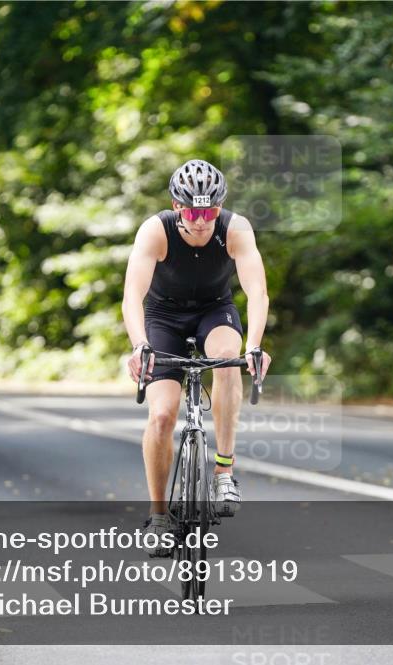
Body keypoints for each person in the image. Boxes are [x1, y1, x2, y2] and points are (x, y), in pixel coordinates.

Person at [122, 159, 271, 555]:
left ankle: (224, 470)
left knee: (227, 357)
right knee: (162, 414)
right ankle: (157, 516)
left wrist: (254, 345)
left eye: (209, 211)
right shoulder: (156, 231)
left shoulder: (235, 229)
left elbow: (256, 291)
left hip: (214, 310)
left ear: (218, 208)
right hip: (163, 316)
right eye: (192, 211)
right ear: (176, 206)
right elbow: (132, 296)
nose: (201, 221)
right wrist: (139, 344)